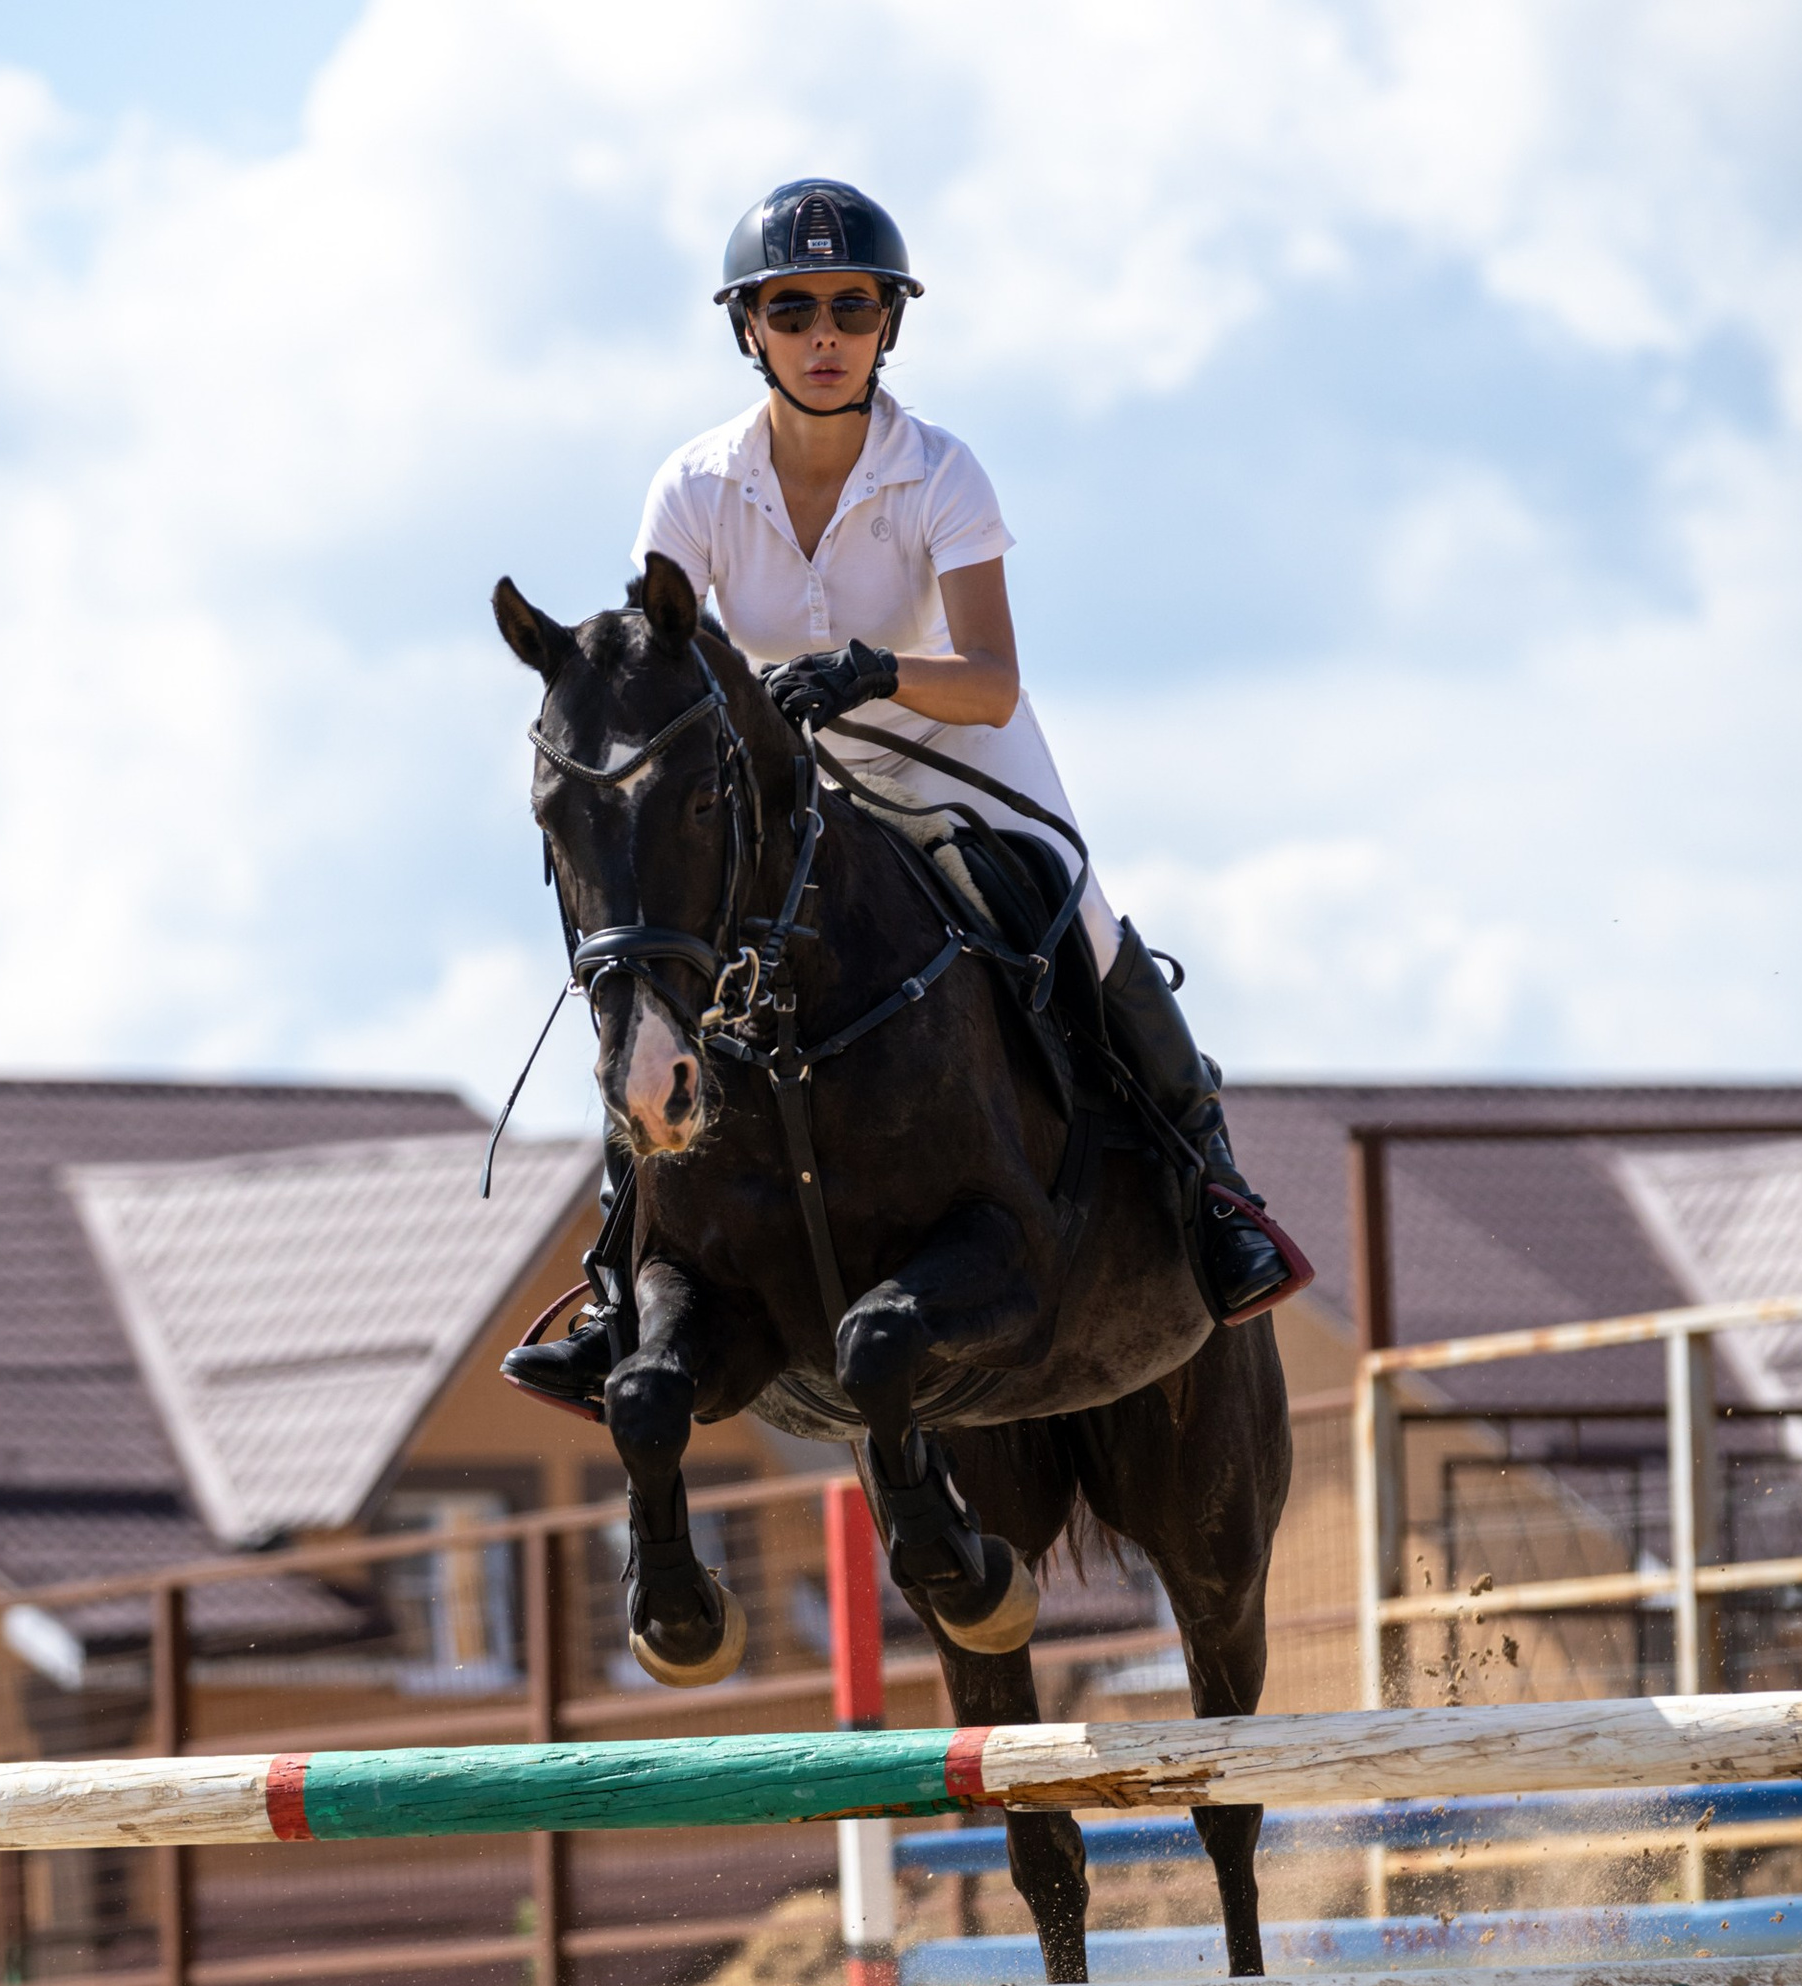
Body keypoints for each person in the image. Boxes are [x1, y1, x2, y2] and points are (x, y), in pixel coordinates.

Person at [505, 177, 1311, 1413]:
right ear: (749, 330)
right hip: (791, 776)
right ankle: (622, 1276)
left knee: (1078, 912)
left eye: (850, 307)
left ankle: (1213, 1194)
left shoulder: (941, 470)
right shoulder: (693, 487)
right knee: (669, 963)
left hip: (954, 752)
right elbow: (666, 662)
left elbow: (991, 679)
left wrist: (875, 670)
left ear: (887, 325)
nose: (823, 335)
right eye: (792, 310)